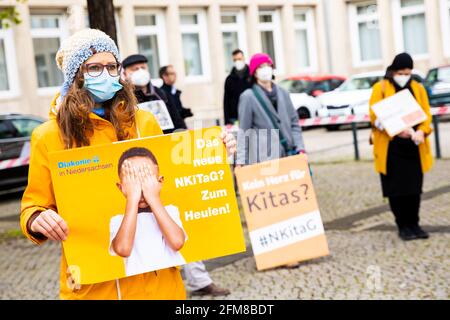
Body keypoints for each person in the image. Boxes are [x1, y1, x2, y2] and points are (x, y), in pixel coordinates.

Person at [19, 28, 237, 300]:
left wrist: (213, 155)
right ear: (76, 76)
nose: (106, 74)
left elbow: (175, 181)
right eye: (94, 67)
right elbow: (33, 206)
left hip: (159, 285)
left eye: (112, 66)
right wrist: (38, 219)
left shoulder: (145, 122)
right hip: (97, 287)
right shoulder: (48, 136)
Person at [369, 52, 433, 241]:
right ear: (394, 71)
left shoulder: (417, 88)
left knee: (414, 189)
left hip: (414, 147)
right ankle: (402, 224)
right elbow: (375, 118)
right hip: (391, 148)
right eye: (402, 72)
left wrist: (422, 131)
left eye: (408, 72)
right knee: (397, 190)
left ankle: (415, 223)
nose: (405, 76)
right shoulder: (380, 88)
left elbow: (426, 114)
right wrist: (397, 130)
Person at [110, 147, 187, 276]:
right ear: (121, 187)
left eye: (146, 181)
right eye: (133, 184)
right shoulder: (118, 220)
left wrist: (153, 198)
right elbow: (123, 249)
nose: (140, 190)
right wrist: (132, 198)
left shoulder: (169, 211)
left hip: (168, 283)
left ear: (159, 182)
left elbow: (177, 242)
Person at [236, 53, 306, 166]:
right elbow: (244, 131)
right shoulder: (248, 97)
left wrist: (300, 148)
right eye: (261, 67)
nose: (265, 69)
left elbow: (294, 124)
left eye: (267, 65)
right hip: (265, 160)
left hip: (289, 155)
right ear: (255, 72)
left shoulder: (283, 93)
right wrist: (240, 161)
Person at [122, 54, 186, 134]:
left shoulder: (161, 94)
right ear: (125, 74)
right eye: (135, 69)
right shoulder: (122, 98)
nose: (140, 71)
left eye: (143, 68)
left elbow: (178, 122)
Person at [223, 49, 252, 125]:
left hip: (251, 115)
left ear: (244, 58)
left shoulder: (252, 76)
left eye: (239, 59)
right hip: (234, 118)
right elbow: (226, 101)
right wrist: (227, 121)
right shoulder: (229, 79)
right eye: (235, 60)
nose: (237, 62)